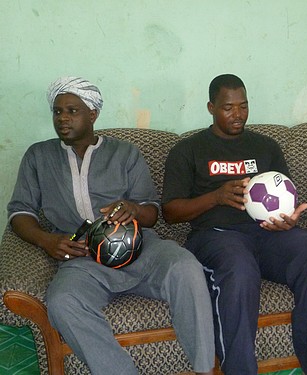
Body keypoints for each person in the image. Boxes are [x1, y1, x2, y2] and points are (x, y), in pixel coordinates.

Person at [7, 77, 215, 375]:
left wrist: (132, 209)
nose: (63, 118)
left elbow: (152, 213)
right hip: (84, 260)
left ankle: (205, 369)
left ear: (93, 114)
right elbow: (19, 213)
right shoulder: (39, 157)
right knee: (62, 302)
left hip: (142, 249)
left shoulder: (125, 153)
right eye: (57, 111)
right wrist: (46, 240)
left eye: (72, 111)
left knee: (187, 268)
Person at [161, 74, 307, 374]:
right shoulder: (188, 150)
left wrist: (288, 221)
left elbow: (286, 196)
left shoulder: (266, 147)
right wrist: (215, 197)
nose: (237, 114)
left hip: (266, 234)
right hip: (216, 236)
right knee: (240, 270)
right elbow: (170, 213)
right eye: (228, 107)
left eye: (243, 106)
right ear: (211, 107)